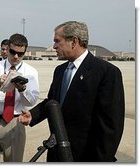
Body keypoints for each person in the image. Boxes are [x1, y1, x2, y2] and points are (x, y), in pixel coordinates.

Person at [19, 21, 125, 162]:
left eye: (57, 41)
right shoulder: (60, 70)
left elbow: (110, 128)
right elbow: (53, 101)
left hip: (84, 156)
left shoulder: (106, 72)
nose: (54, 46)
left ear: (74, 41)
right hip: (57, 153)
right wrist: (33, 115)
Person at [0, 33, 40, 162]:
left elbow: (32, 101)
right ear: (7, 49)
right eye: (13, 52)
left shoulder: (31, 73)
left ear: (25, 52)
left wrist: (22, 89)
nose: (16, 56)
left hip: (15, 122)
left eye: (20, 54)